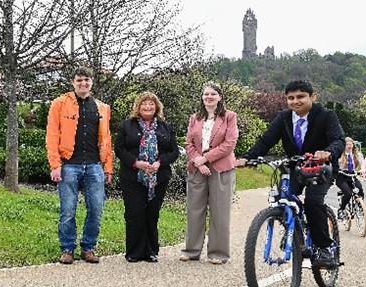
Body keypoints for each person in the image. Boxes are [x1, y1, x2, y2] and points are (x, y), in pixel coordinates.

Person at [236, 80, 345, 268]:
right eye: (291, 98)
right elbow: (266, 140)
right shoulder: (284, 118)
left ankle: (324, 247)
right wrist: (247, 158)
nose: (296, 101)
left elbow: (338, 139)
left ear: (313, 97)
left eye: (301, 96)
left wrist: (328, 152)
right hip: (295, 166)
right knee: (283, 198)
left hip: (321, 167)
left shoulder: (326, 116)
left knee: (312, 201)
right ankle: (294, 237)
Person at [46, 66, 113, 264]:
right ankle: (67, 249)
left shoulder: (102, 108)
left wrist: (107, 167)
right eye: (79, 80)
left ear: (92, 82)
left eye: (87, 80)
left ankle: (88, 247)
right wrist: (55, 164)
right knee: (68, 209)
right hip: (68, 165)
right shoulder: (59, 104)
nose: (83, 83)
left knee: (96, 209)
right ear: (73, 82)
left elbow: (106, 139)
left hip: (94, 165)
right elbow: (52, 135)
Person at [114, 92, 179, 263]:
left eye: (151, 104)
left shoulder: (165, 127)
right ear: (138, 106)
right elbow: (119, 149)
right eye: (144, 104)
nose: (148, 107)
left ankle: (151, 250)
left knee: (152, 214)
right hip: (133, 176)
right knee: (134, 213)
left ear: (157, 107)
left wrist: (159, 163)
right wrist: (136, 163)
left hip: (159, 177)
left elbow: (174, 151)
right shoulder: (127, 125)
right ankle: (134, 251)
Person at [179, 81, 238, 265]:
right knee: (194, 209)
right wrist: (198, 161)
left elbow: (229, 144)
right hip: (197, 168)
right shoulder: (194, 118)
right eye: (206, 94)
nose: (209, 97)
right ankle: (191, 250)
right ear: (202, 97)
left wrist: (206, 159)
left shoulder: (229, 117)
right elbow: (188, 143)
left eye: (213, 94)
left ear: (219, 97)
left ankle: (218, 253)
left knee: (220, 212)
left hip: (221, 168)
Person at [336, 137, 365, 220]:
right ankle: (341, 209)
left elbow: (363, 165)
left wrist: (364, 170)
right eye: (347, 144)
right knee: (348, 193)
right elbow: (334, 164)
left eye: (350, 144)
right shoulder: (340, 155)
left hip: (352, 175)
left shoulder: (357, 155)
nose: (349, 146)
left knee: (360, 189)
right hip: (342, 176)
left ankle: (361, 208)